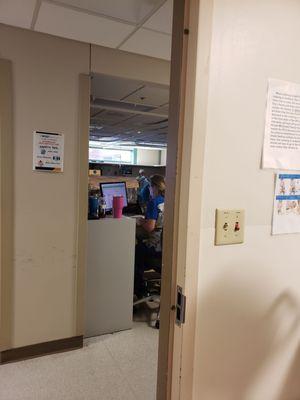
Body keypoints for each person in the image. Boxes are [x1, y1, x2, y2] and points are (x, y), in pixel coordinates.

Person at [134, 175, 165, 298]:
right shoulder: (168, 200)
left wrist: (141, 221)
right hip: (165, 249)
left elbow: (150, 227)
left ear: (155, 187)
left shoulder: (154, 202)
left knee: (134, 253)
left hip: (155, 248)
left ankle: (140, 291)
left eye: (150, 187)